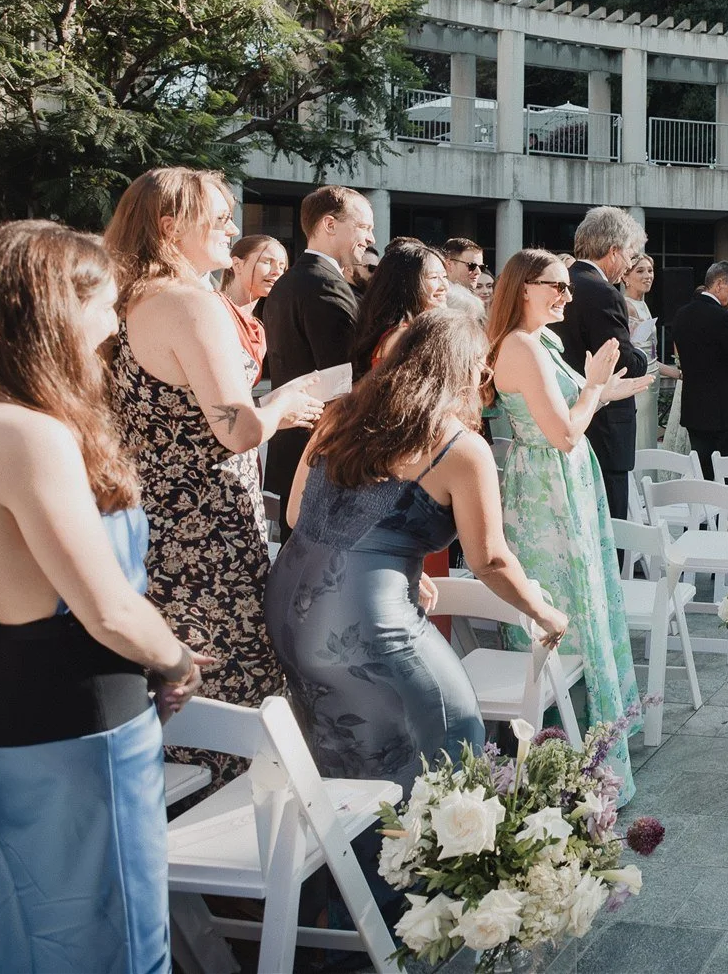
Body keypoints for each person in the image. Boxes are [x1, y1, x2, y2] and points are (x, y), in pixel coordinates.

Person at [0, 222, 209, 972]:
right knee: (112, 936)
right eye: (106, 303)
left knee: (20, 921)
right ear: (55, 306)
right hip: (80, 719)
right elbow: (111, 610)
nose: (115, 322)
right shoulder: (25, 431)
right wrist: (178, 660)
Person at [269, 309, 568, 791]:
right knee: (454, 739)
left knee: (344, 758)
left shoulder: (340, 415)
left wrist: (387, 567)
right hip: (363, 626)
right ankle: (427, 863)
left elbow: (298, 515)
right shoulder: (460, 448)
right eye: (481, 369)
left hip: (290, 613)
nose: (484, 380)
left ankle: (356, 865)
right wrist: (546, 614)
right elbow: (489, 559)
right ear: (463, 370)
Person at [105, 168, 323, 780]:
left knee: (185, 702)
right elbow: (236, 428)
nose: (233, 228)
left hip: (158, 533)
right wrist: (281, 407)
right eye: (221, 217)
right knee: (237, 698)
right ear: (172, 227)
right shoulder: (192, 304)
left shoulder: (130, 298)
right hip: (211, 540)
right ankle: (245, 851)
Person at [487, 249, 652, 781]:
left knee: (589, 597)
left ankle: (596, 739)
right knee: (568, 605)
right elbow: (561, 432)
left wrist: (610, 390)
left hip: (569, 479)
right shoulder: (517, 346)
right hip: (544, 491)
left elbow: (570, 409)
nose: (565, 295)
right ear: (522, 288)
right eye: (554, 286)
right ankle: (562, 755)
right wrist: (596, 386)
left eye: (567, 287)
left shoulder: (547, 341)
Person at [263, 185, 374, 515]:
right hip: (321, 455)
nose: (369, 238)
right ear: (330, 224)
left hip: (293, 448)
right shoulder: (325, 285)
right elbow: (343, 378)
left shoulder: (289, 282)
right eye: (364, 226)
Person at [559, 207, 649, 519]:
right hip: (606, 427)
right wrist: (639, 350)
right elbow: (624, 362)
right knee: (611, 525)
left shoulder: (561, 283)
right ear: (613, 251)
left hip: (564, 415)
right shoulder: (604, 293)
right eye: (629, 255)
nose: (628, 265)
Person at [666, 260, 728, 481]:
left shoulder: (680, 316)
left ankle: (705, 514)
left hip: (695, 409)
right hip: (726, 411)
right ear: (718, 284)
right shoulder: (727, 319)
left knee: (703, 475)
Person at [348, 238, 451, 378]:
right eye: (433, 277)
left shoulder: (415, 329)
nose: (444, 286)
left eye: (444, 276)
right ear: (407, 285)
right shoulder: (401, 336)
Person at [223, 232, 287, 370]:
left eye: (282, 266)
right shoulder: (215, 310)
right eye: (267, 262)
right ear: (237, 265)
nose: (277, 272)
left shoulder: (259, 330)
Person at [622, 254, 663, 454]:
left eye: (650, 270)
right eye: (640, 271)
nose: (648, 276)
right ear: (625, 277)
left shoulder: (643, 304)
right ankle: (638, 482)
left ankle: (649, 480)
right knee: (640, 433)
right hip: (640, 378)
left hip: (653, 376)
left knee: (649, 433)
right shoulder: (626, 305)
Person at [439, 236, 489, 319]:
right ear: (449, 265)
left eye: (481, 267)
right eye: (472, 266)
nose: (478, 272)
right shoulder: (440, 299)